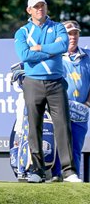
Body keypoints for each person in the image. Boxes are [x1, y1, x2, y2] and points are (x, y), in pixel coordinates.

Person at [14, 0, 82, 183]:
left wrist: (38, 48)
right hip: (33, 83)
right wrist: (47, 50)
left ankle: (69, 172)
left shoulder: (58, 27)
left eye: (42, 5)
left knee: (63, 126)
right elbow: (24, 55)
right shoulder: (22, 32)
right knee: (34, 128)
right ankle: (37, 171)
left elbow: (62, 47)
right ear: (29, 10)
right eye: (36, 6)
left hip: (55, 83)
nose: (40, 9)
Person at [50, 20, 90, 182]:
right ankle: (55, 177)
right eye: (69, 34)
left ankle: (72, 183)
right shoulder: (54, 57)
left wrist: (87, 103)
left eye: (75, 33)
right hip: (59, 109)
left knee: (75, 149)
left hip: (81, 111)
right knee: (58, 146)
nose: (73, 37)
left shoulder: (87, 56)